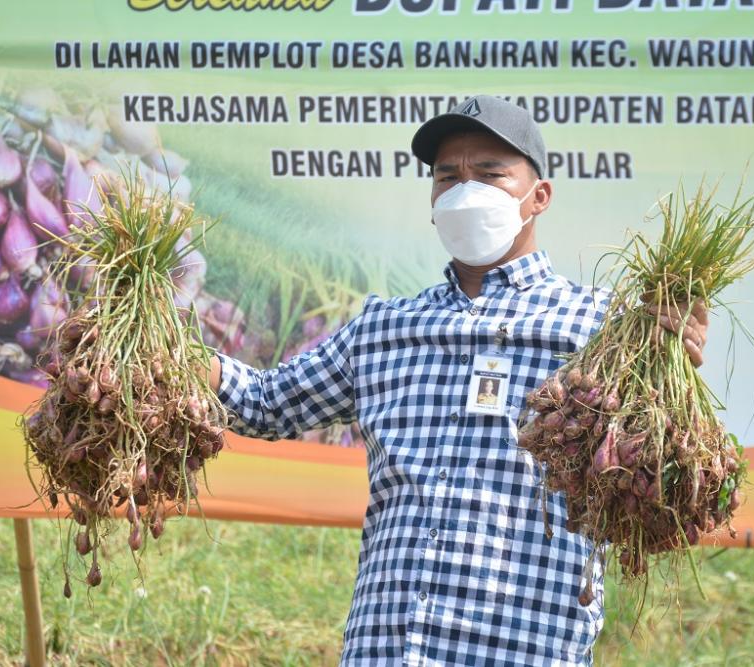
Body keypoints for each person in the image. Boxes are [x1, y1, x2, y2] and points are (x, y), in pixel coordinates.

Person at [209, 95, 707, 665]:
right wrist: (176, 356)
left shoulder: (603, 328)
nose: (466, 190)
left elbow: (659, 471)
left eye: (491, 174)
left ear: (538, 197)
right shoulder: (384, 328)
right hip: (388, 649)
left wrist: (669, 356)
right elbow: (267, 403)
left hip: (525, 649)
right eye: (449, 176)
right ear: (432, 200)